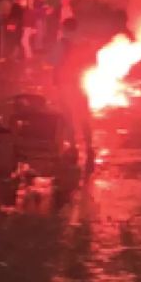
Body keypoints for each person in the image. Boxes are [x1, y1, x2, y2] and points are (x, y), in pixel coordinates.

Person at [53, 17, 95, 174]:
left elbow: (53, 61)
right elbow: (93, 63)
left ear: (65, 29)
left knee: (67, 116)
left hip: (65, 84)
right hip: (81, 84)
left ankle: (72, 147)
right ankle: (89, 147)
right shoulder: (85, 43)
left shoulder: (62, 43)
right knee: (84, 116)